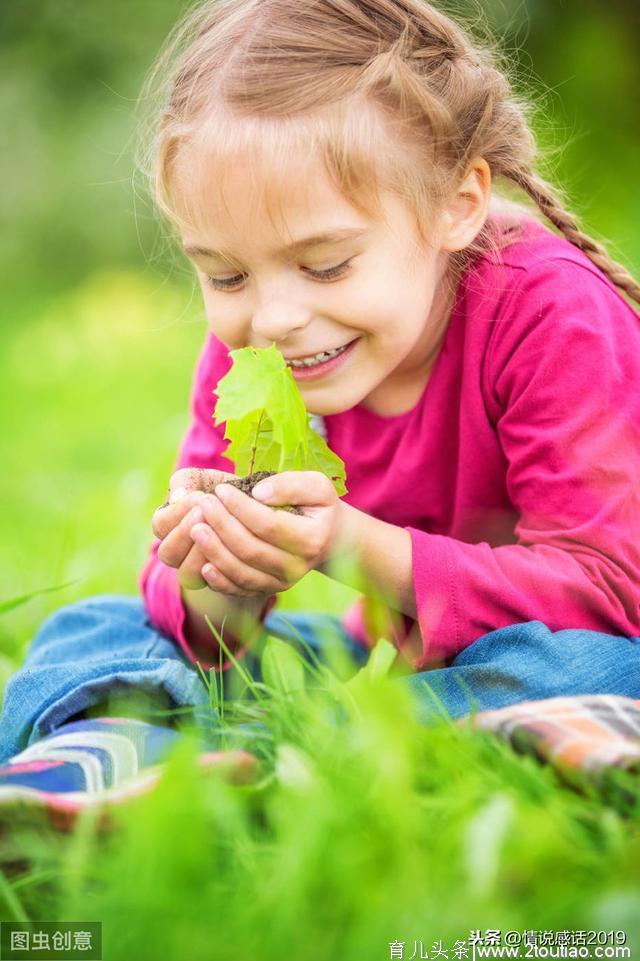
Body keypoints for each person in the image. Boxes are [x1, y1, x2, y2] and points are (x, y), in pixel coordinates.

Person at [2, 0, 640, 823]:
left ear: (458, 204)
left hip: (554, 648)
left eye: (326, 265)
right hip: (387, 663)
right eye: (227, 276)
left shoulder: (550, 313)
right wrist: (219, 579)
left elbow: (609, 590)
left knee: (588, 667)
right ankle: (108, 766)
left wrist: (349, 542)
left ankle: (322, 748)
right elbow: (200, 626)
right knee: (98, 629)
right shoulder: (260, 359)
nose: (271, 318)